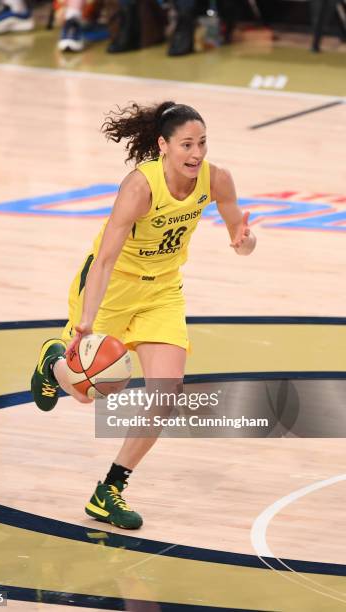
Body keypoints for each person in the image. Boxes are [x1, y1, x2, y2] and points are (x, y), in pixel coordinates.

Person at [31, 100, 257, 530]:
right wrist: (86, 323)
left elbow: (238, 236)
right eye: (187, 144)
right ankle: (52, 362)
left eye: (202, 143)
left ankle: (109, 490)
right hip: (113, 288)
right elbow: (104, 260)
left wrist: (245, 242)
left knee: (166, 395)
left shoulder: (217, 179)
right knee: (86, 392)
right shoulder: (139, 186)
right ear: (163, 145)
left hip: (163, 292)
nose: (196, 153)